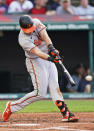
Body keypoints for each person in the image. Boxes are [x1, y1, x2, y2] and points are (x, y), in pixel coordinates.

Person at [2, 15, 79, 122]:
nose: (30, 31)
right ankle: (11, 107)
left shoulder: (36, 22)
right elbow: (37, 52)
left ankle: (66, 113)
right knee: (40, 93)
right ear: (22, 28)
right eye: (28, 30)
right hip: (35, 61)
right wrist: (50, 58)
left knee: (55, 87)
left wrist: (51, 48)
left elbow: (45, 35)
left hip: (48, 58)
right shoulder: (22, 39)